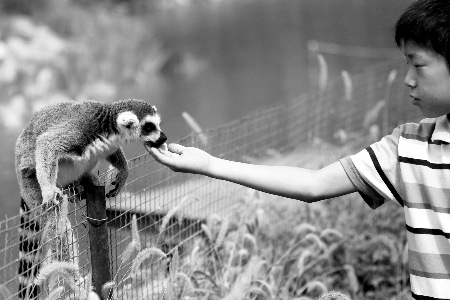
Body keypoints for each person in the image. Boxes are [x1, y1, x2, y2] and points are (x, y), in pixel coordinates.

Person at [148, 0, 450, 298]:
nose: (408, 79)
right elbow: (313, 183)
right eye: (406, 64)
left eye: (419, 64)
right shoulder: (410, 147)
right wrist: (210, 165)